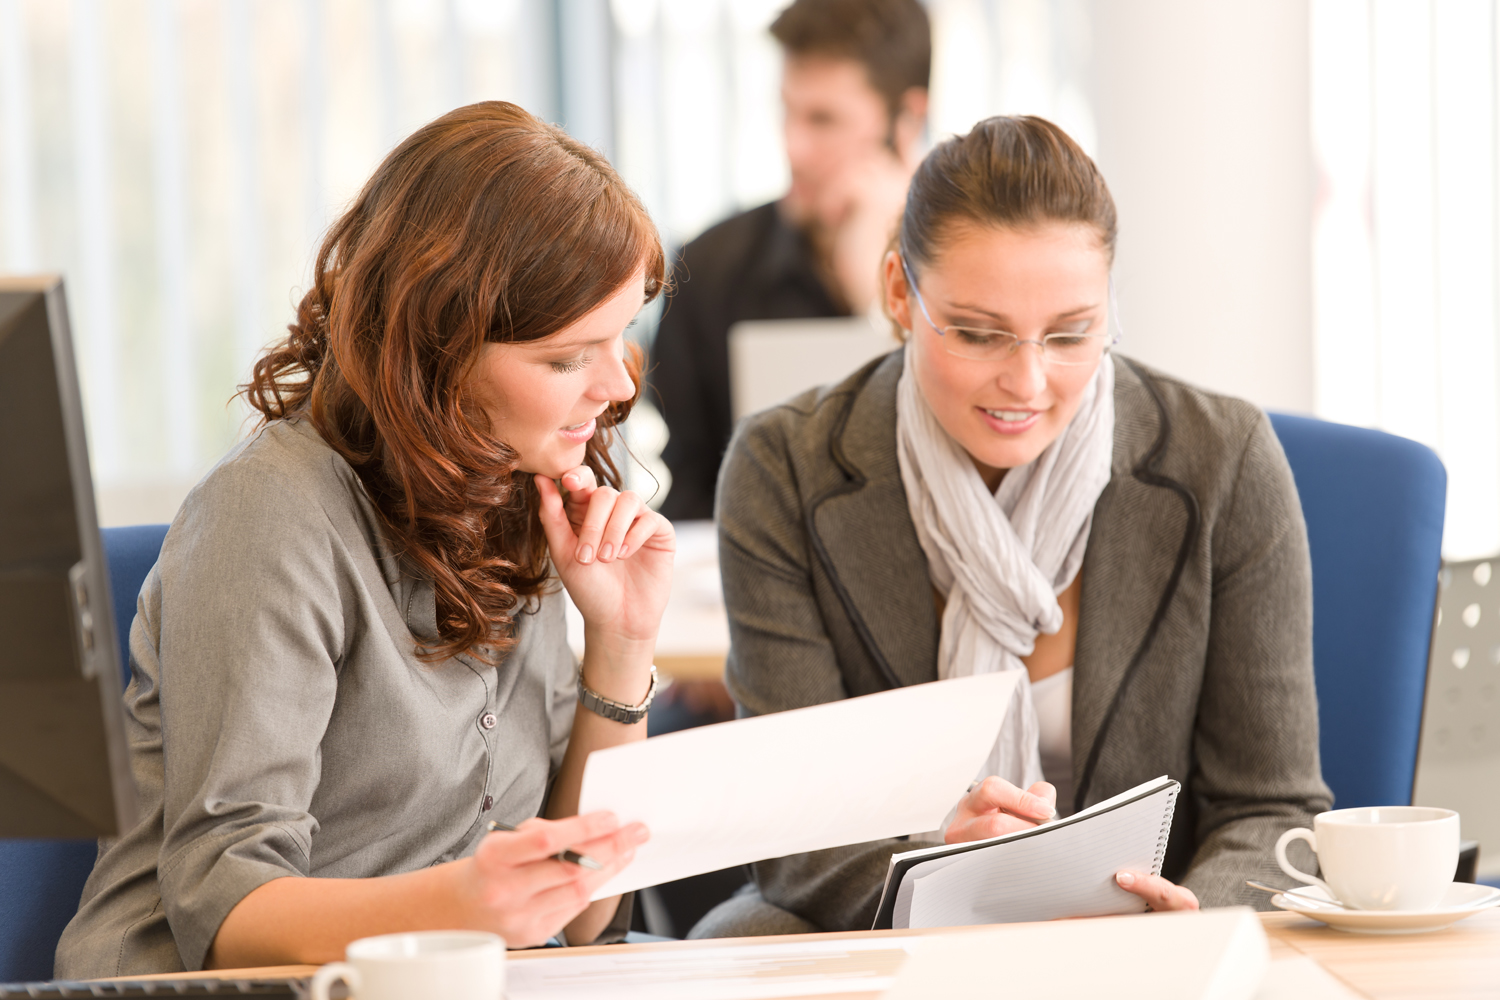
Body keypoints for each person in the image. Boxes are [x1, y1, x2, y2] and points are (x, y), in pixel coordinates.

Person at [56, 102, 674, 977]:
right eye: (566, 358)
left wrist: (622, 642)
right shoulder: (268, 516)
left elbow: (583, 915)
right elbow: (224, 904)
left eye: (622, 339)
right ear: (438, 351)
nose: (614, 387)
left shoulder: (515, 488)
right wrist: (463, 907)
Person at [692, 115, 1333, 937]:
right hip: (892, 915)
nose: (1027, 381)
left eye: (1071, 334)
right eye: (977, 331)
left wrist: (1188, 922)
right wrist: (936, 866)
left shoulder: (1223, 458)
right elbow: (796, 834)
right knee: (731, 944)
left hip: (1150, 926)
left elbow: (1272, 805)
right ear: (899, 292)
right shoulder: (785, 466)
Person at [650, 0, 931, 520]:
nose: (793, 146)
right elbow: (689, 496)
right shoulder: (707, 269)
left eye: (824, 119)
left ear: (907, 120)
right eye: (787, 110)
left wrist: (871, 297)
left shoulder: (957, 275)